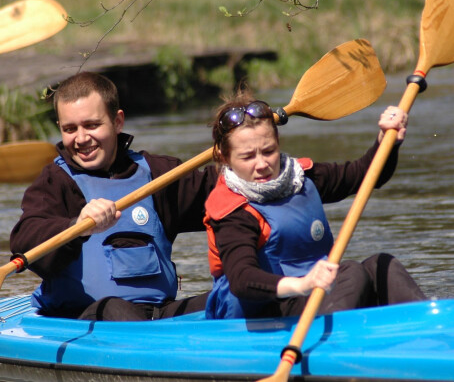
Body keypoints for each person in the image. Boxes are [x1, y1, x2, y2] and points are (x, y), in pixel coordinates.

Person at [10, 71, 218, 321]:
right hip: (86, 317)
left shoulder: (158, 173)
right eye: (70, 129)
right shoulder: (55, 181)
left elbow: (224, 193)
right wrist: (76, 227)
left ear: (118, 121)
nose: (81, 138)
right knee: (114, 308)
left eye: (91, 125)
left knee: (230, 299)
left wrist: (255, 158)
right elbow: (25, 240)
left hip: (161, 317)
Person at [203, 90, 426, 319]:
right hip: (265, 311)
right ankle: (336, 344)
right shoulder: (232, 211)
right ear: (224, 157)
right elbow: (242, 279)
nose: (261, 164)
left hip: (315, 296)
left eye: (269, 151)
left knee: (381, 265)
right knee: (351, 272)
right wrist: (302, 285)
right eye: (248, 157)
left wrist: (386, 141)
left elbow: (367, 175)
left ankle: (432, 328)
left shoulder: (301, 177)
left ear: (278, 143)